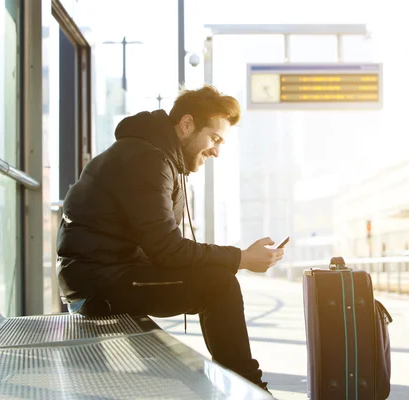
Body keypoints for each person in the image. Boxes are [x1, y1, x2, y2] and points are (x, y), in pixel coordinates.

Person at [56, 85, 285, 393]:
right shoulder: (147, 161)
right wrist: (241, 258)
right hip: (98, 286)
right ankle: (252, 390)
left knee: (215, 279)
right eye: (214, 138)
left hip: (103, 277)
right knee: (219, 284)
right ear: (187, 124)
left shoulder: (154, 157)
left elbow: (162, 248)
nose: (217, 150)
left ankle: (246, 387)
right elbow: (168, 250)